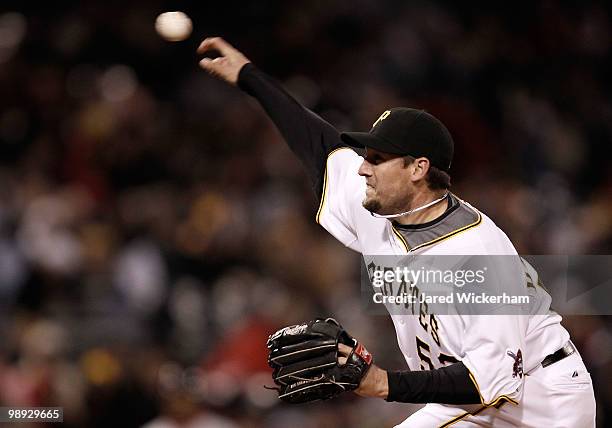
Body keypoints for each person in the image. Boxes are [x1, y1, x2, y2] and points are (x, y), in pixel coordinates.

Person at [196, 37, 596, 427]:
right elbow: (320, 145)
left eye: (377, 158)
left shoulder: (478, 254)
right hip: (474, 396)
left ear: (418, 169)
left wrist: (381, 382)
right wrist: (249, 77)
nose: (362, 168)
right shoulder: (382, 208)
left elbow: (488, 381)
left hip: (542, 399)